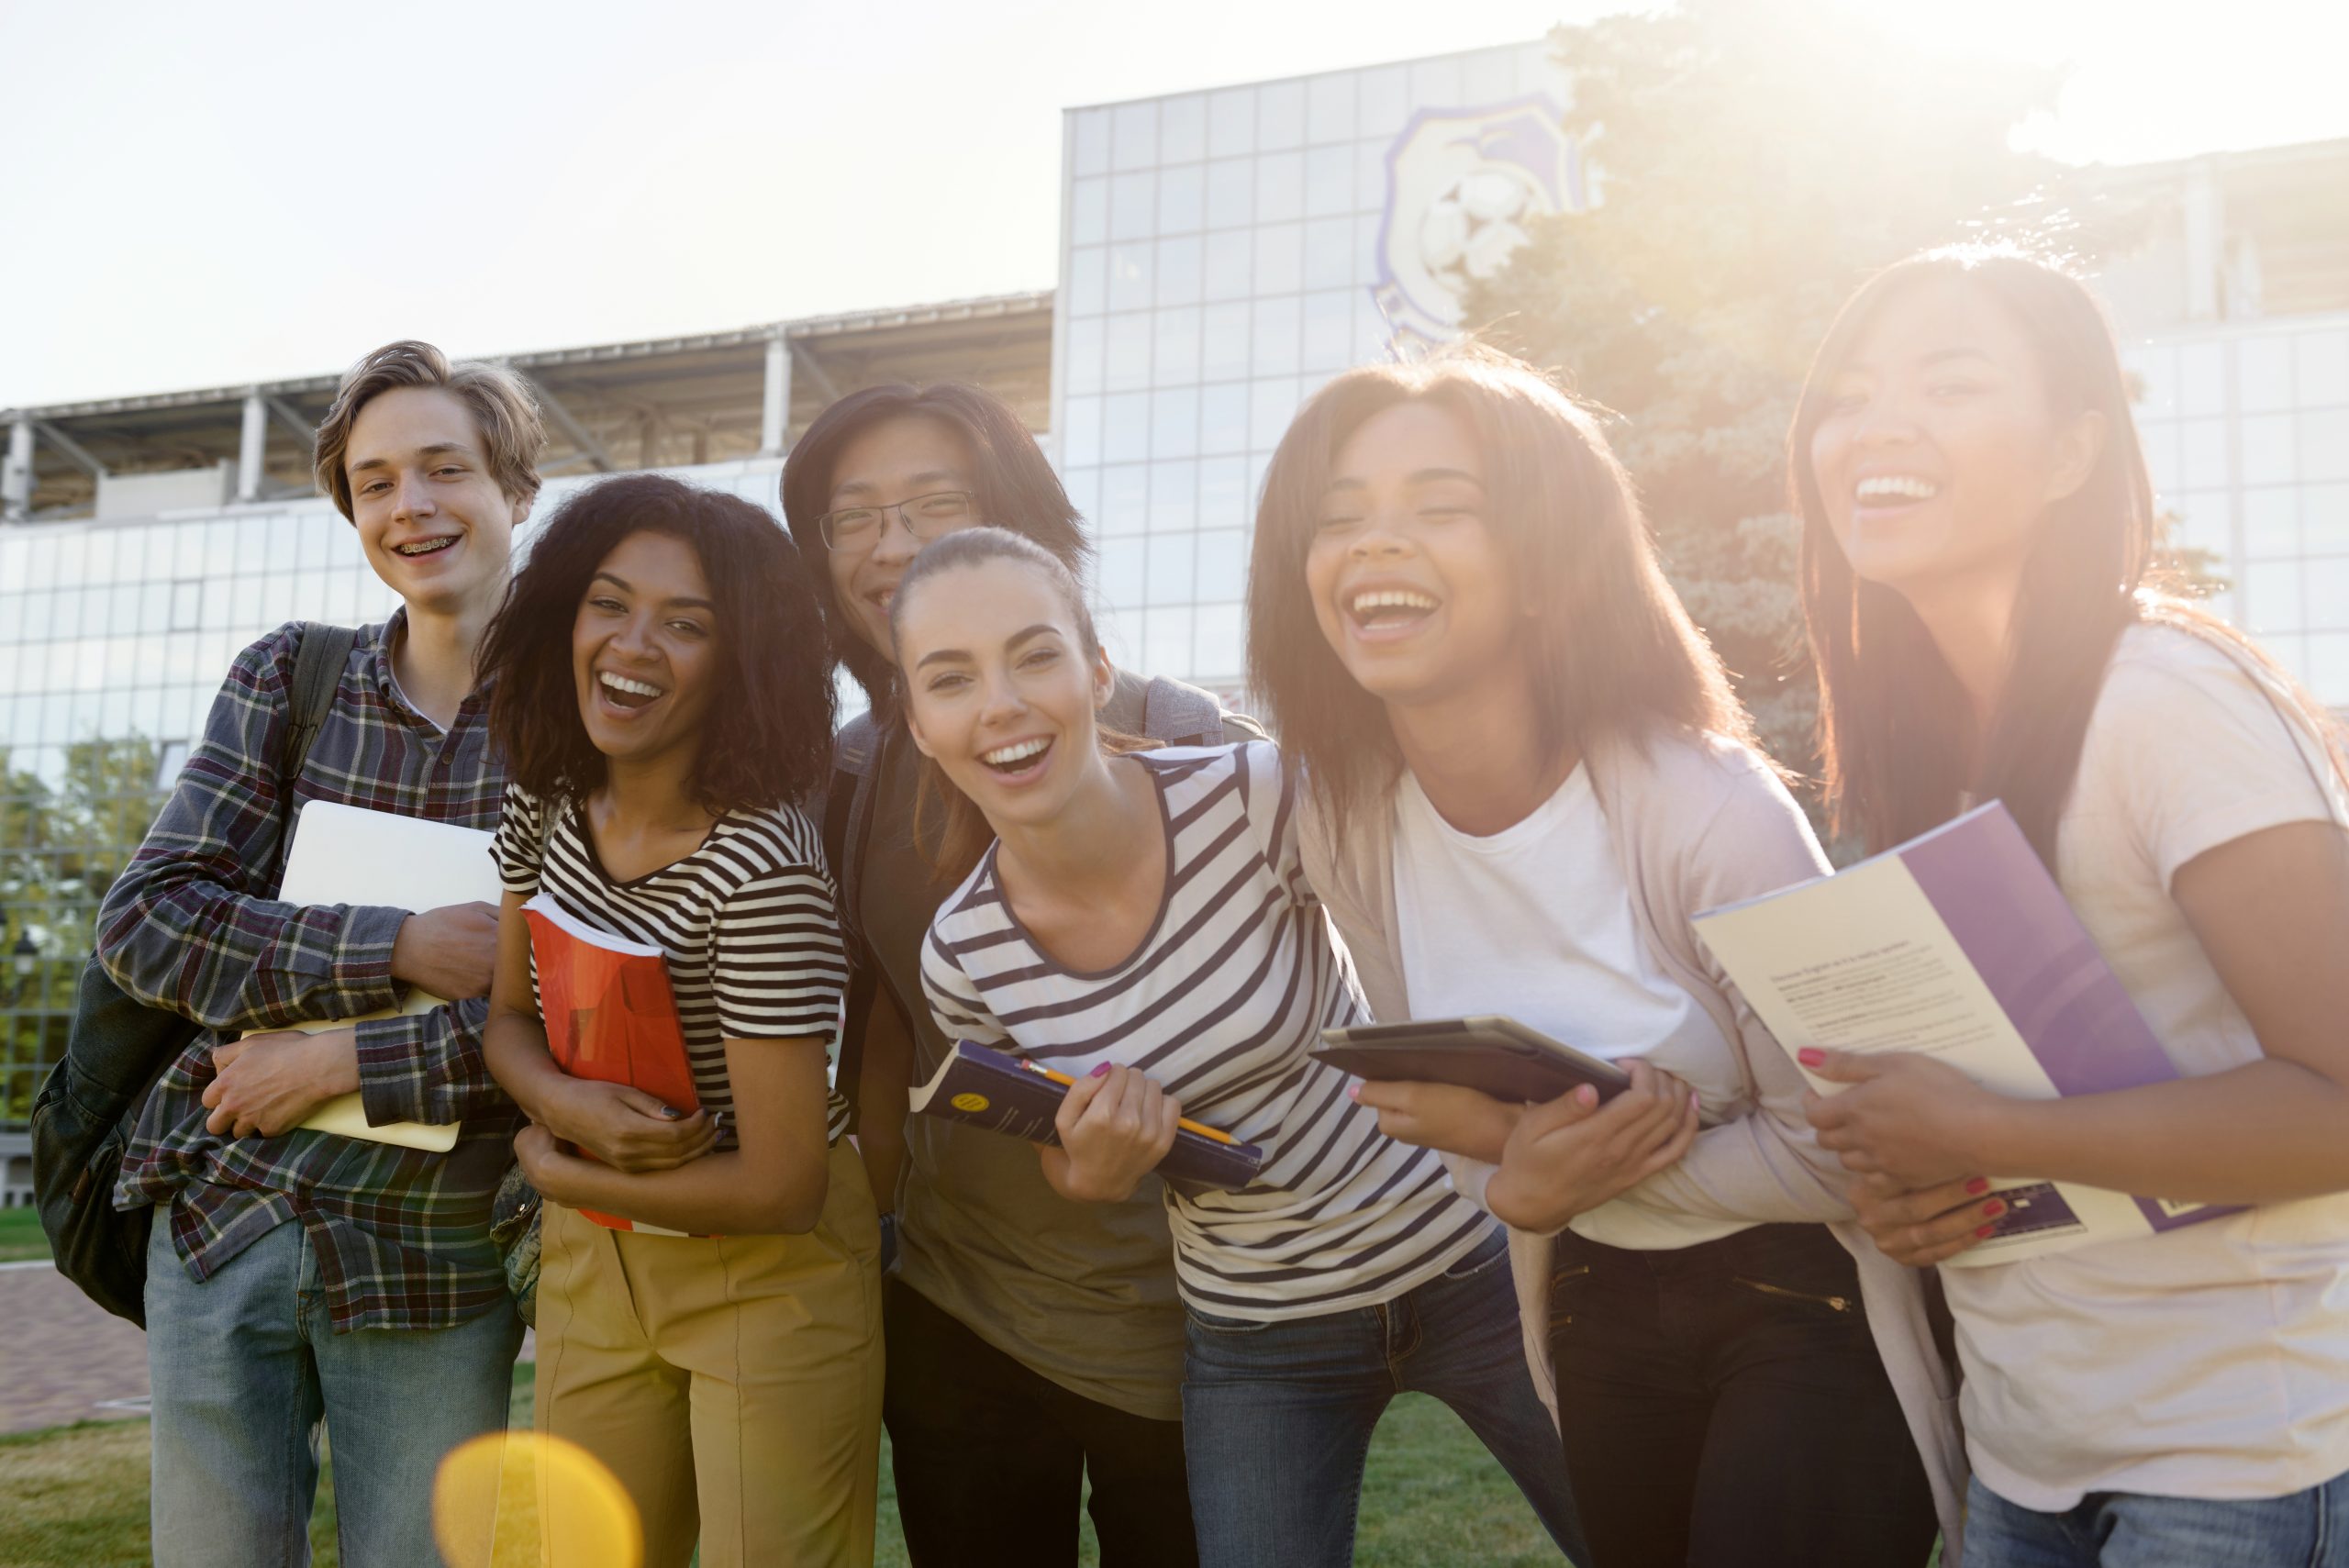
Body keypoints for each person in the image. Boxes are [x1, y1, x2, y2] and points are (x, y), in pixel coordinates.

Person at [1245, 346, 1962, 1567]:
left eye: (1440, 507)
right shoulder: (1347, 813)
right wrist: (1522, 1189)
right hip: (1588, 1299)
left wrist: (1545, 1178)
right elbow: (1455, 1106)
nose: (1374, 544)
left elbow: (1852, 1157)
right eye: (1338, 519)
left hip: (1804, 1299)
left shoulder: (1706, 808)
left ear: (1543, 564)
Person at [1788, 246, 2349, 1566]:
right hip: (2026, 1461)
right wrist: (1919, 1187)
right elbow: (2042, 1116)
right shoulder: (1924, 743)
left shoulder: (2168, 703)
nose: (1876, 426)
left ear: (2070, 451)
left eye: (1951, 381)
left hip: (2235, 1464)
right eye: (1849, 393)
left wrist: (1986, 1122)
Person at [893, 526, 1586, 1568]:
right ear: (917, 722)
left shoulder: (1259, 795)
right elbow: (1058, 1151)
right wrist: (1095, 1164)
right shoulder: (965, 954)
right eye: (951, 678)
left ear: (1096, 670)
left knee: (1647, 1531)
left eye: (1034, 654)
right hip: (1262, 1335)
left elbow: (1442, 931)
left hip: (1468, 1254)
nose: (1000, 702)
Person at [781, 384, 1251, 1567]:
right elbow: (882, 1028)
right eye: (854, 515)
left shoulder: (1191, 740)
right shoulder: (847, 779)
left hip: (1199, 1323)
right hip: (961, 1313)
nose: (891, 542)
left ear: (1022, 523)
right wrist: (873, 1243)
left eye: (934, 501)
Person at [101, 340, 539, 1567]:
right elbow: (149, 920)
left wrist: (338, 1059)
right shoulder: (293, 677)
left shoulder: (584, 724)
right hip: (224, 1223)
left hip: (436, 1262)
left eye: (446, 469)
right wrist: (396, 943)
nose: (412, 506)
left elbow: (572, 1015)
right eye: (378, 480)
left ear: (516, 489)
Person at [475, 473, 883, 1568]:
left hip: (765, 1271)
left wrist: (563, 1172)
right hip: (594, 1265)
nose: (633, 644)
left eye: (686, 622)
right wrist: (557, 1102)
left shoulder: (762, 867)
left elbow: (784, 1187)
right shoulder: (543, 795)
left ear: (741, 662)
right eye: (609, 603)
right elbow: (508, 1016)